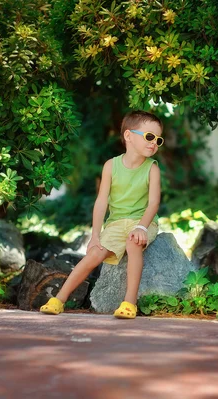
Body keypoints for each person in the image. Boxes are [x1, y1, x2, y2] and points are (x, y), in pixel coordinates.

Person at [40, 110, 164, 319]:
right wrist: (95, 235)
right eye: (149, 136)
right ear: (128, 136)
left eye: (158, 139)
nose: (154, 143)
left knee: (133, 244)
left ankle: (129, 303)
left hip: (143, 222)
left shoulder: (152, 168)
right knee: (95, 254)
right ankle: (59, 299)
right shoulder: (111, 166)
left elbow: (154, 202)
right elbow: (101, 202)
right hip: (115, 224)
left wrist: (142, 227)